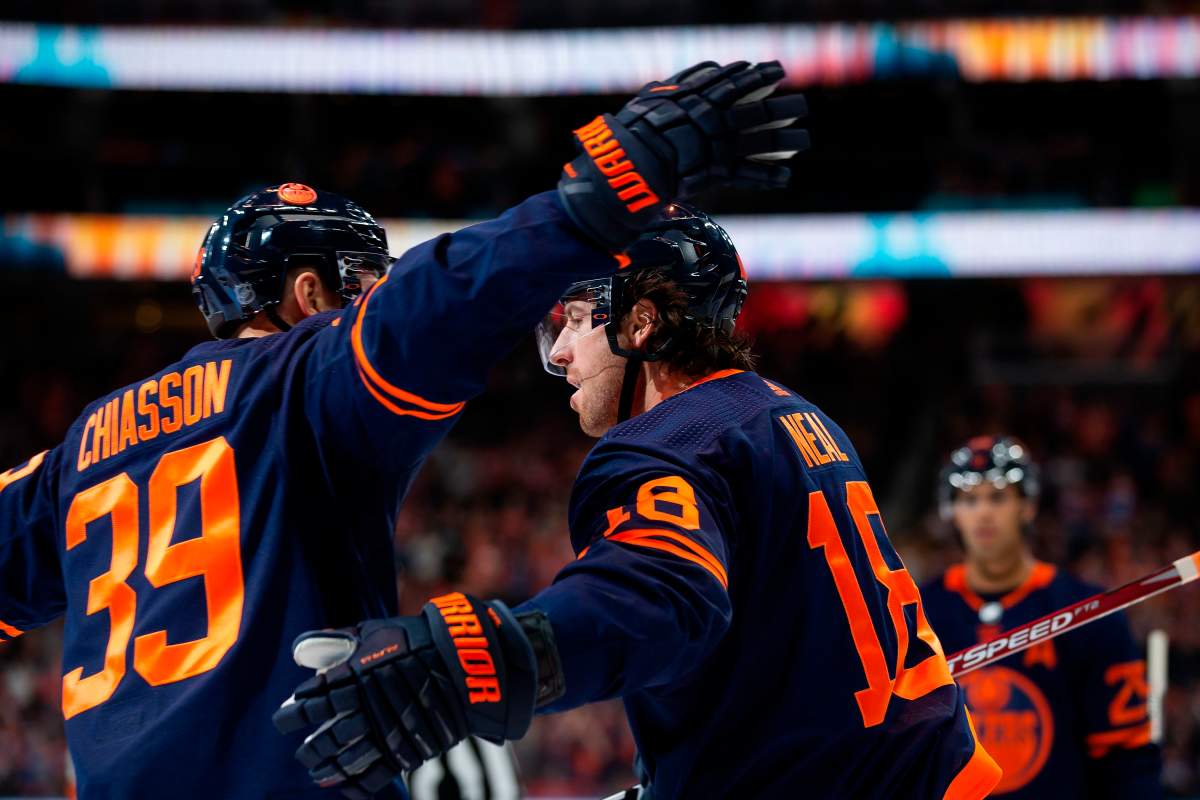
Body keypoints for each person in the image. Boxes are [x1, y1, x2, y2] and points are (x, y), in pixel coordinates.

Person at [0, 59, 808, 800]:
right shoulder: (298, 379)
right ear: (310, 292)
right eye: (362, 284)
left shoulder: (80, 449)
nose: (373, 297)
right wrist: (590, 204)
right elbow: (439, 300)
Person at [276, 206, 1002, 799]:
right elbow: (788, 642)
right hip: (928, 771)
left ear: (642, 323)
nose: (559, 352)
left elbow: (659, 601)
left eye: (578, 319)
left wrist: (478, 658)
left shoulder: (664, 446)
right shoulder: (797, 417)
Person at [920, 436, 1162, 798]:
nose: (984, 513)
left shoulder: (1089, 613)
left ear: (1027, 506)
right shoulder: (918, 613)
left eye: (998, 497)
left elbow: (1127, 754)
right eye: (969, 499)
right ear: (951, 511)